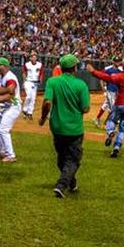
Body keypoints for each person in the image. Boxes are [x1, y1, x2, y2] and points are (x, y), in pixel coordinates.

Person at [39, 54, 90, 198]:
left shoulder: (52, 82)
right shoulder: (81, 85)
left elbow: (47, 102)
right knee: (73, 159)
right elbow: (85, 108)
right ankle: (61, 185)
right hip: (74, 128)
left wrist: (43, 118)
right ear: (75, 68)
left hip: (57, 127)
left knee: (62, 158)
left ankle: (71, 182)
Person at [0, 57, 22, 163]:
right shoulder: (0, 77)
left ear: (6, 66)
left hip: (13, 106)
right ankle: (2, 153)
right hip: (5, 107)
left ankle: (11, 155)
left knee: (3, 130)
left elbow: (10, 94)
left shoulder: (10, 77)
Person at [22, 51, 43, 120]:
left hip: (35, 83)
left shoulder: (40, 64)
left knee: (33, 98)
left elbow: (41, 73)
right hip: (28, 82)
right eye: (32, 56)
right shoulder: (27, 64)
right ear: (30, 58)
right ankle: (25, 110)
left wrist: (41, 79)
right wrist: (24, 81)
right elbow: (24, 73)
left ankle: (30, 113)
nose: (34, 58)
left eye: (35, 56)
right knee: (28, 96)